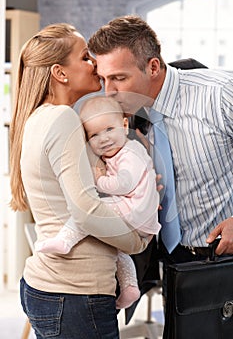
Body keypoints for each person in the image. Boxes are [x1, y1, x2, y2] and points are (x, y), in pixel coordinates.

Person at [9, 23, 150, 339]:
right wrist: (137, 239)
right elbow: (86, 208)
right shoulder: (63, 119)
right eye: (86, 57)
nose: (97, 65)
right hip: (75, 292)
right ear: (60, 73)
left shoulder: (38, 118)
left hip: (52, 288)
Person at [88, 15, 233, 276]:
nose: (108, 91)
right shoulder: (124, 116)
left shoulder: (220, 93)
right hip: (174, 264)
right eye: (103, 79)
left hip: (225, 258)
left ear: (153, 67)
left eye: (119, 78)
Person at [35, 95, 161, 310]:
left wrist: (98, 181)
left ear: (124, 125)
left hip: (133, 208)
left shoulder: (131, 152)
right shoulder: (118, 152)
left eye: (109, 130)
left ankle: (65, 240)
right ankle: (130, 287)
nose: (103, 139)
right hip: (137, 214)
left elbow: (125, 183)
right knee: (117, 249)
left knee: (90, 212)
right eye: (94, 135)